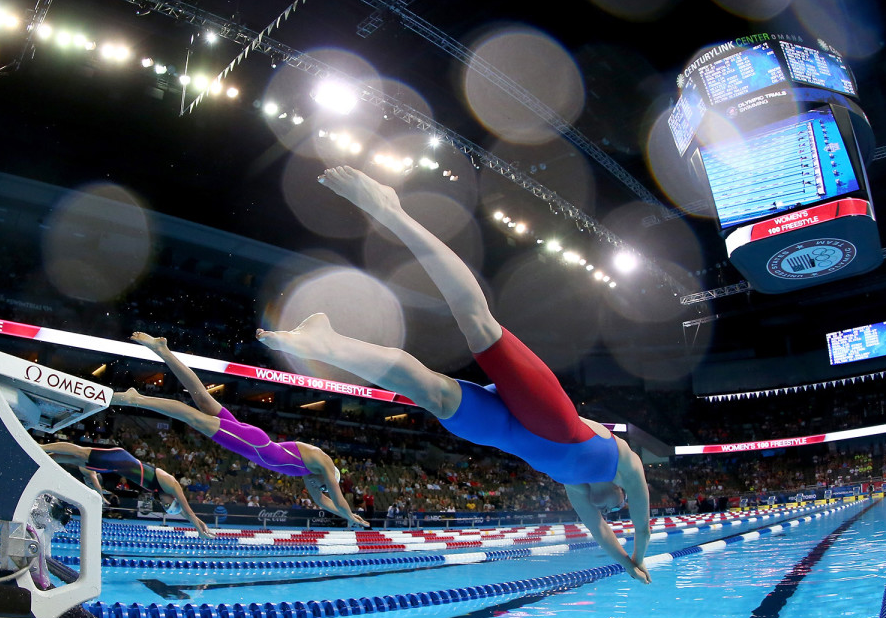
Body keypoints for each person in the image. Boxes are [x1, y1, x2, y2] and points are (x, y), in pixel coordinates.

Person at [258, 165, 651, 583]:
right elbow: (641, 527)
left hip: (506, 431)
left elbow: (603, 534)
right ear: (626, 493)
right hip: (552, 417)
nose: (614, 510)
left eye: (613, 513)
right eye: (621, 506)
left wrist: (629, 564)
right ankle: (391, 210)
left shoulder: (579, 493)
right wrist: (640, 552)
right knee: (477, 325)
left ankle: (328, 343)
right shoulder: (626, 465)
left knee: (434, 394)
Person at [114, 333, 369, 529]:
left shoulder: (314, 475)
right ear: (331, 477)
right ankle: (137, 399)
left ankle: (164, 351)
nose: (322, 487)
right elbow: (335, 497)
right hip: (254, 444)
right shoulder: (323, 464)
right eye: (327, 485)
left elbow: (323, 501)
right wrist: (349, 515)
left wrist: (348, 514)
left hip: (252, 441)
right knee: (190, 415)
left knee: (201, 398)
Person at [41, 440, 212, 538]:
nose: (163, 505)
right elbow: (187, 511)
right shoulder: (171, 484)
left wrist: (196, 522)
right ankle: (42, 447)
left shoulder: (161, 492)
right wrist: (198, 528)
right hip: (119, 458)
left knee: (77, 461)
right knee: (81, 453)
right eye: (167, 505)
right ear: (173, 499)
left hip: (113, 467)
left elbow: (183, 513)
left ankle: (42, 455)